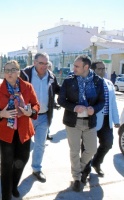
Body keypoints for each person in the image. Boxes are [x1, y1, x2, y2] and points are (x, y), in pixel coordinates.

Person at [0, 60, 39, 200]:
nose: (9, 73)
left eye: (12, 70)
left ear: (18, 71)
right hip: (5, 132)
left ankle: (14, 185)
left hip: (24, 131)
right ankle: (6, 195)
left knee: (22, 159)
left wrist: (31, 112)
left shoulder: (27, 87)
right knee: (6, 163)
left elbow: (35, 105)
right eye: (6, 70)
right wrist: (1, 114)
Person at [57, 55, 105, 192]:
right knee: (74, 150)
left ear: (86, 67)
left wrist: (93, 109)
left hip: (90, 122)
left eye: (77, 66)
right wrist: (74, 107)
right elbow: (61, 100)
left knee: (91, 149)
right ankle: (76, 178)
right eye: (74, 65)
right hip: (73, 122)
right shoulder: (69, 81)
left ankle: (79, 168)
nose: (74, 68)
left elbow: (101, 101)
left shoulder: (98, 81)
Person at [20, 52, 60, 183]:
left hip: (43, 116)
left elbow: (59, 91)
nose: (44, 66)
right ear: (34, 62)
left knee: (40, 145)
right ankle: (17, 169)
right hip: (27, 117)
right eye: (41, 63)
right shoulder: (25, 74)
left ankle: (36, 169)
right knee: (23, 145)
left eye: (46, 63)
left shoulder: (51, 77)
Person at [80, 61, 120, 182]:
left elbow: (113, 103)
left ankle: (96, 163)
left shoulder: (109, 83)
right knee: (87, 147)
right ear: (92, 70)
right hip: (91, 120)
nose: (103, 71)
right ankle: (85, 170)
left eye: (104, 68)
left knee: (108, 143)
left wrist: (116, 120)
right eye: (99, 69)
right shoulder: (87, 83)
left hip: (106, 121)